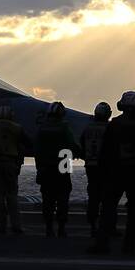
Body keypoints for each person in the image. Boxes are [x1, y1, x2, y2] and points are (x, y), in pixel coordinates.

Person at [87, 90, 135, 256]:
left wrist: (104, 172)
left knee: (108, 208)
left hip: (116, 173)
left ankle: (102, 244)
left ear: (121, 106)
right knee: (134, 209)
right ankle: (129, 247)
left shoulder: (115, 124)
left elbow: (105, 152)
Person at [33, 102, 82, 237]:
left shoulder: (42, 129)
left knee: (47, 199)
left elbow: (37, 150)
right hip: (63, 166)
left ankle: (49, 228)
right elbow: (71, 144)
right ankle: (61, 228)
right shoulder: (64, 128)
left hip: (46, 167)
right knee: (62, 198)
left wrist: (39, 168)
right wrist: (80, 152)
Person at [0, 105, 32, 235]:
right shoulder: (17, 128)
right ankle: (16, 226)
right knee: (12, 195)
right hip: (11, 164)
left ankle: (0, 226)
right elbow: (29, 143)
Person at [80, 102, 111, 237]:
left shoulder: (87, 129)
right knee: (107, 198)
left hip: (91, 167)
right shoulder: (110, 129)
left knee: (93, 197)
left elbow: (81, 144)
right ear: (108, 114)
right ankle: (106, 226)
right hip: (106, 168)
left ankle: (93, 225)